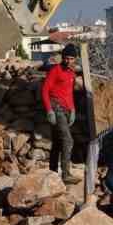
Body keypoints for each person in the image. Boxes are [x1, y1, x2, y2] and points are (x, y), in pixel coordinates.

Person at [40, 44, 82, 183]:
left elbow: (69, 93)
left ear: (75, 59)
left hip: (65, 109)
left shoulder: (71, 73)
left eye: (71, 58)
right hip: (56, 107)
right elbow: (45, 90)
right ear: (62, 57)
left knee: (58, 141)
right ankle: (66, 174)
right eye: (66, 58)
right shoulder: (55, 70)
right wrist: (49, 110)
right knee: (68, 140)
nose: (68, 61)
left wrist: (73, 110)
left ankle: (52, 171)